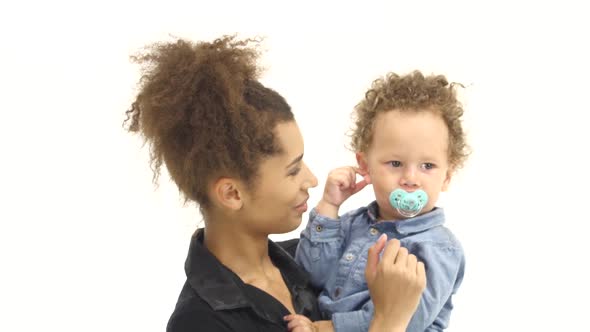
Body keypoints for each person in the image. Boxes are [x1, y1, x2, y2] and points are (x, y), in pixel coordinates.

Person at [124, 35, 426, 332]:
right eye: (293, 171)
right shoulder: (200, 322)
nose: (311, 179)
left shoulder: (306, 258)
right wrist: (389, 321)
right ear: (232, 193)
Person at [295, 71, 470, 331]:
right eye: (396, 163)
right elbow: (309, 275)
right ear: (366, 166)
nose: (410, 179)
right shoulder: (351, 224)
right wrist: (329, 208)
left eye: (427, 165)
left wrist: (329, 328)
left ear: (446, 177)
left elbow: (408, 319)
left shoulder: (438, 249)